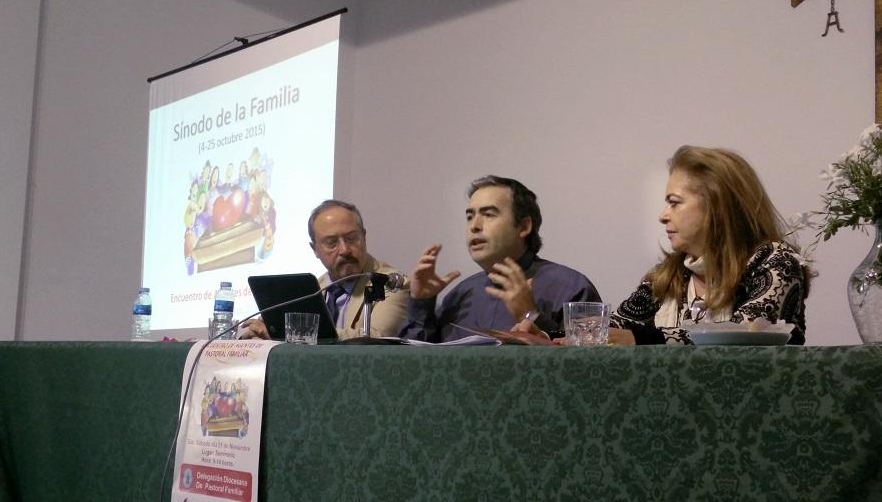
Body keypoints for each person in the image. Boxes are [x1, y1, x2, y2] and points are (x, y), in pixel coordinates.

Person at [611, 145, 809, 345]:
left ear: (716, 206)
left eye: (674, 203)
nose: (663, 216)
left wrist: (641, 338)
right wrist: (595, 328)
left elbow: (745, 335)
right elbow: (616, 330)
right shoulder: (666, 276)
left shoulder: (776, 262)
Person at [399, 175, 601, 342]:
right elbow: (413, 366)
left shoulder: (571, 287)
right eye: (469, 216)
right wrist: (421, 303)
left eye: (488, 214)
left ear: (524, 226)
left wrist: (530, 315)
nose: (474, 226)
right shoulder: (459, 296)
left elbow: (588, 365)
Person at [241, 200, 409, 340]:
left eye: (351, 238)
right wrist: (261, 334)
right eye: (331, 243)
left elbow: (378, 338)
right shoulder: (308, 291)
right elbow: (268, 329)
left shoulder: (392, 283)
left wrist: (292, 334)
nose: (344, 250)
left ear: (364, 237)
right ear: (315, 249)